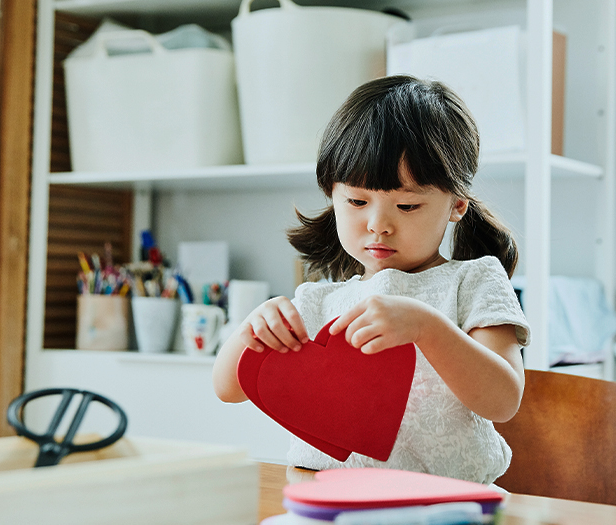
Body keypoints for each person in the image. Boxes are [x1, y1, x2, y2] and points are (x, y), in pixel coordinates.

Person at [212, 75, 529, 484]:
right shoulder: (317, 300)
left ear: (456, 205)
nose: (378, 224)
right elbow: (228, 388)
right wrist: (252, 329)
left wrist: (427, 327)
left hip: (445, 504)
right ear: (332, 196)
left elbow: (503, 401)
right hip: (322, 498)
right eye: (357, 201)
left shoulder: (474, 282)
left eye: (407, 206)